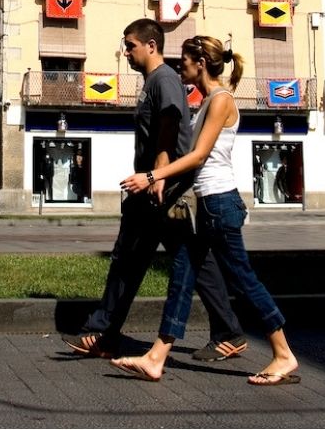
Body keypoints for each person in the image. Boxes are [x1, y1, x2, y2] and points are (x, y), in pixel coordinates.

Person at [110, 37, 300, 387]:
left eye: (184, 59)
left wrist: (152, 175)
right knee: (181, 279)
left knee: (243, 280)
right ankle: (155, 358)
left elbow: (199, 156)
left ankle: (283, 354)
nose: (179, 64)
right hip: (205, 206)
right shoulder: (208, 100)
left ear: (200, 62)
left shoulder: (222, 100)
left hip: (219, 203)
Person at [61, 19, 248, 364]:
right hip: (155, 186)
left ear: (150, 45)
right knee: (178, 258)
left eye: (130, 45)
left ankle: (105, 332)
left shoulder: (164, 80)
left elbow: (169, 127)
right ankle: (225, 330)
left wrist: (155, 177)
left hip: (161, 189)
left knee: (139, 257)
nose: (126, 51)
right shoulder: (154, 81)